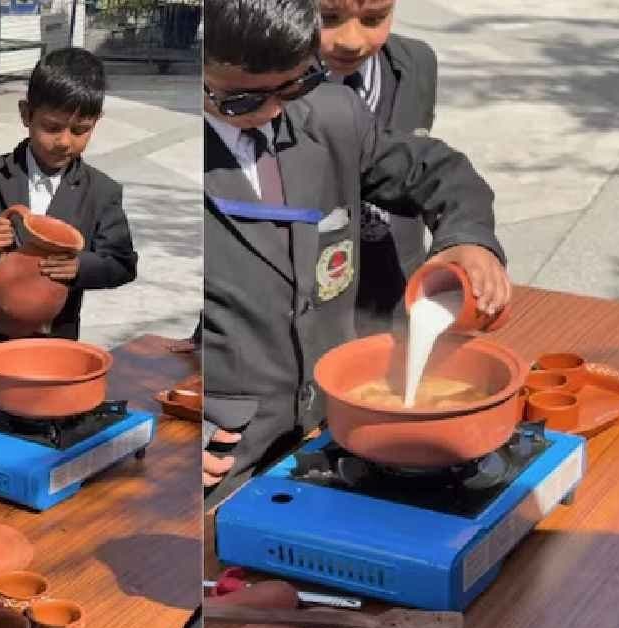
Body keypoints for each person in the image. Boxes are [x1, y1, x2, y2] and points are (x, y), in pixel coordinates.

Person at [202, 0, 510, 504]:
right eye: (240, 101)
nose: (274, 111)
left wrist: (469, 239)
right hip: (228, 456)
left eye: (294, 85)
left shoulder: (331, 114)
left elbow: (437, 171)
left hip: (334, 428)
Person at [0, 48, 138, 407]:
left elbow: (122, 262)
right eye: (52, 127)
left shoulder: (102, 192)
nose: (65, 141)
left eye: (80, 130)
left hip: (51, 344)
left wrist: (80, 267)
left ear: (97, 122)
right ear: (27, 114)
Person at [318, 0, 441, 334]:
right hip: (315, 301)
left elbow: (423, 166)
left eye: (373, 19)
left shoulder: (418, 63)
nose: (351, 40)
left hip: (398, 289)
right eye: (328, 18)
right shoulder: (267, 84)